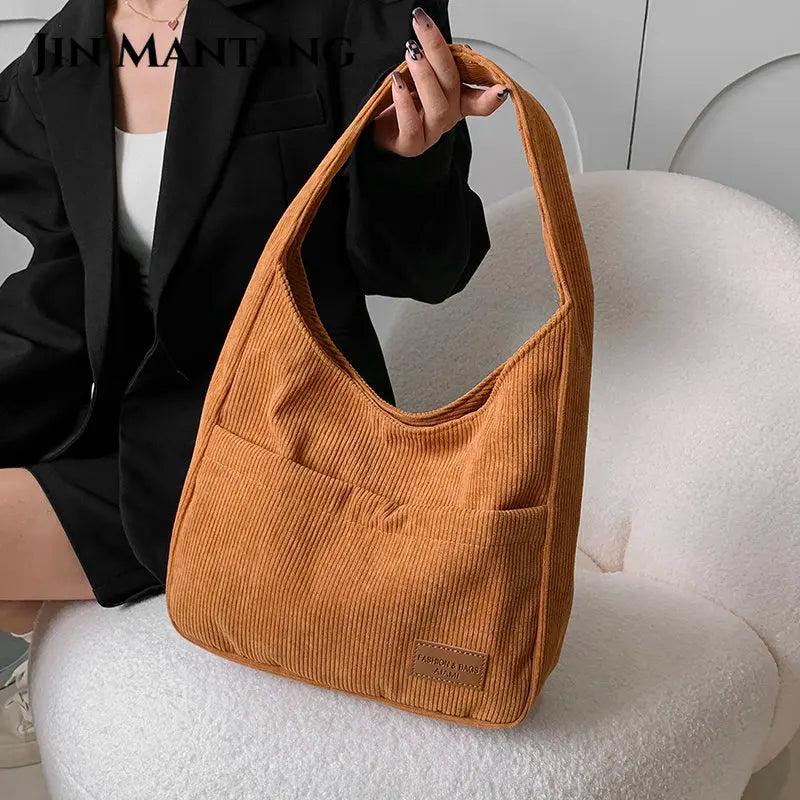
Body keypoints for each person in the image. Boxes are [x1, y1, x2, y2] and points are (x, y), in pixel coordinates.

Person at [0, 0, 506, 767]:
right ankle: (76, 656)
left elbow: (431, 270)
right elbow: (68, 291)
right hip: (130, 418)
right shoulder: (59, 58)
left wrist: (408, 166)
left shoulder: (343, 14)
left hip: (285, 434)